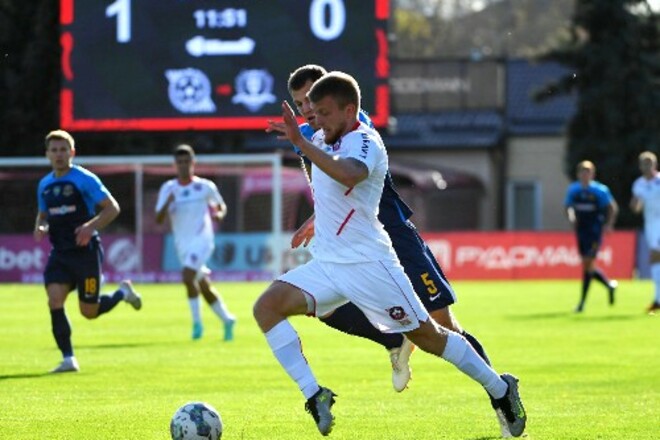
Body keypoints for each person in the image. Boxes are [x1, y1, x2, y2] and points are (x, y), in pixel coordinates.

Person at [256, 72, 527, 437]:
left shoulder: (366, 141)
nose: (314, 119)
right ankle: (315, 394)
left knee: (432, 336)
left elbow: (350, 175)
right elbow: (331, 187)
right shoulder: (320, 137)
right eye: (310, 112)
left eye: (321, 111)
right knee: (267, 307)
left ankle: (500, 389)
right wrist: (316, 217)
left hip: (372, 264)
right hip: (330, 264)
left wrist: (302, 145)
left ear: (350, 110)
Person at [34, 129, 143, 373]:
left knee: (89, 312)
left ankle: (122, 294)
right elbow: (43, 214)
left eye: (63, 149)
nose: (59, 154)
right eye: (54, 150)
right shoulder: (44, 184)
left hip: (86, 253)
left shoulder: (84, 179)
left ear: (72, 152)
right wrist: (40, 226)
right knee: (54, 300)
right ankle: (68, 358)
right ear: (47, 154)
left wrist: (89, 227)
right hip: (60, 254)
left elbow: (112, 208)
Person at [155, 144, 236, 340]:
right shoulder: (168, 188)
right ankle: (227, 319)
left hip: (203, 240)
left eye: (187, 161)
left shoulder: (204, 187)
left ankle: (197, 324)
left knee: (187, 276)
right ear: (175, 164)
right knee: (203, 285)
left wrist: (218, 214)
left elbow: (220, 206)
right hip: (182, 244)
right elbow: (158, 219)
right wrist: (168, 202)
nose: (183, 165)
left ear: (193, 163)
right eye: (180, 162)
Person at [564, 160, 619, 313]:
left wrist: (609, 224)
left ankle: (582, 303)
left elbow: (612, 207)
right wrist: (571, 217)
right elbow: (568, 207)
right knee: (588, 266)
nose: (585, 175)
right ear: (578, 174)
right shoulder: (573, 190)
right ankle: (609, 285)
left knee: (588, 264)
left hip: (594, 231)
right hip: (581, 231)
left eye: (587, 172)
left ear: (592, 174)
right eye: (582, 172)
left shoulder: (600, 190)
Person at [631, 151, 660, 314]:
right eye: (644, 163)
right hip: (650, 225)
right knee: (656, 259)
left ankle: (657, 300)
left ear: (655, 165)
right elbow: (636, 208)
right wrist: (636, 202)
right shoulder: (638, 184)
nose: (647, 166)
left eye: (650, 163)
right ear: (640, 166)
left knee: (655, 256)